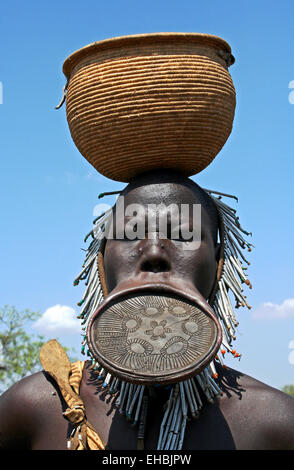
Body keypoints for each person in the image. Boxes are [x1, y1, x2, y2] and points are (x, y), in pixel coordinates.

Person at [0, 170, 294, 451]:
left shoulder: (275, 424)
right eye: (129, 234)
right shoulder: (33, 410)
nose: (154, 252)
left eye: (183, 234)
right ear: (101, 265)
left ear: (219, 266)